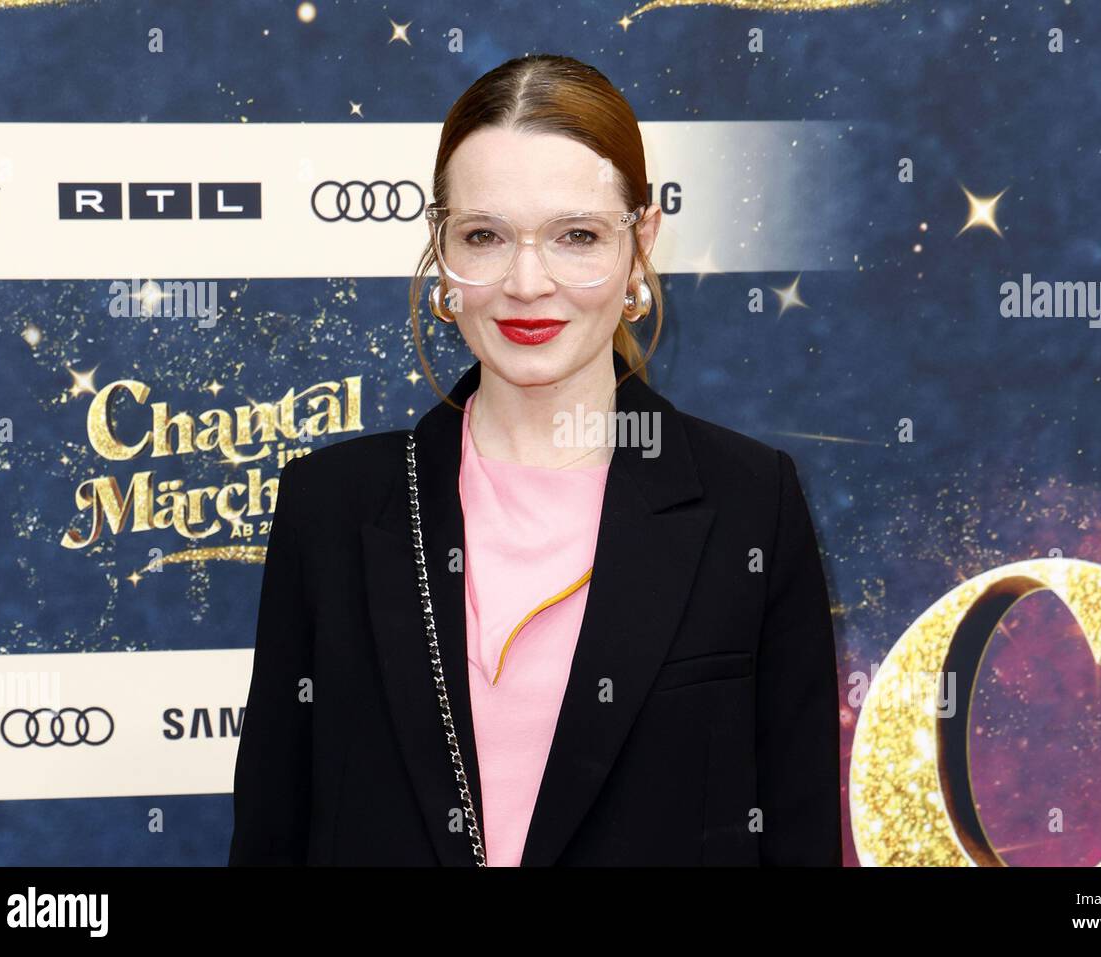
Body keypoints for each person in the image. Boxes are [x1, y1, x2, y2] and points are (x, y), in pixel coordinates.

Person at [229, 53, 841, 866]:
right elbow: (273, 832)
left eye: (577, 236)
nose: (526, 282)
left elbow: (795, 836)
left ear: (641, 243)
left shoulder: (748, 503)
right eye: (484, 236)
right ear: (442, 248)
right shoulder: (332, 506)